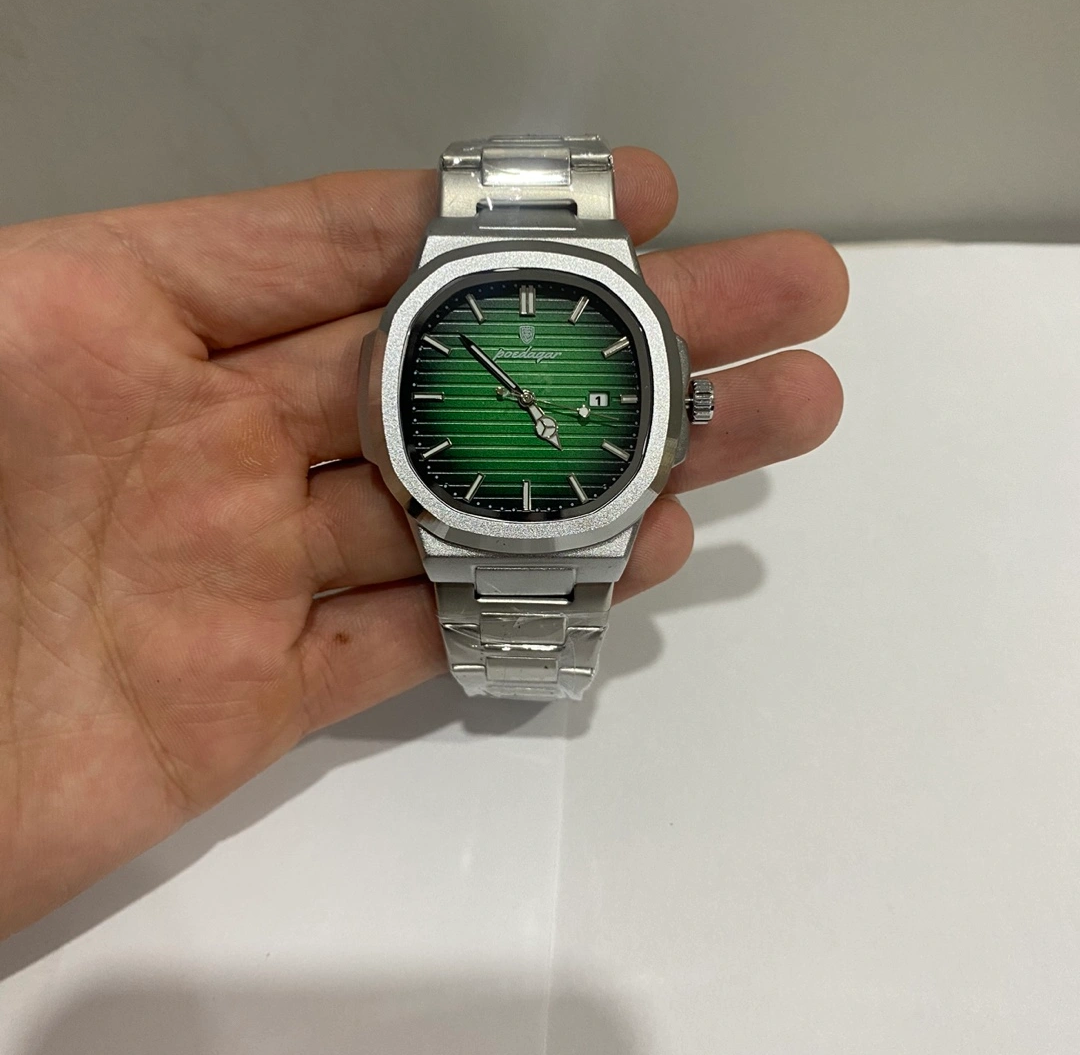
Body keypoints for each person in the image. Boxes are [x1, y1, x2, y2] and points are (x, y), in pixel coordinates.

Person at [0, 148, 847, 939]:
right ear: (381, 414)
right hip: (467, 504)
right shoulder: (412, 405)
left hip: (561, 508)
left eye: (536, 403)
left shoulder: (614, 387)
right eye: (524, 400)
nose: (531, 406)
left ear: (681, 405)